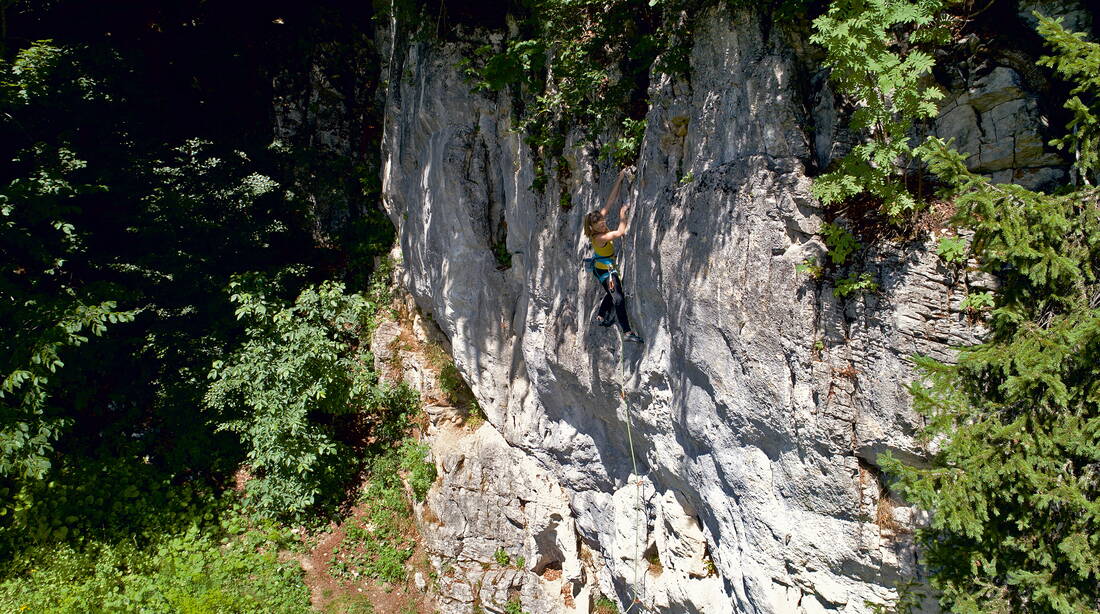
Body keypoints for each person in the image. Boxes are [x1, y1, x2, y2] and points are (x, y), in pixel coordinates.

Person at [584, 167, 643, 344]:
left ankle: (601, 316)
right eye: (599, 225)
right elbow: (620, 232)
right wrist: (622, 214)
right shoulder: (599, 237)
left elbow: (609, 202)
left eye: (603, 222)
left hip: (602, 268)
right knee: (617, 297)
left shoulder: (596, 221)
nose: (603, 225)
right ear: (592, 228)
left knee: (611, 294)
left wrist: (619, 178)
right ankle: (627, 332)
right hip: (606, 271)